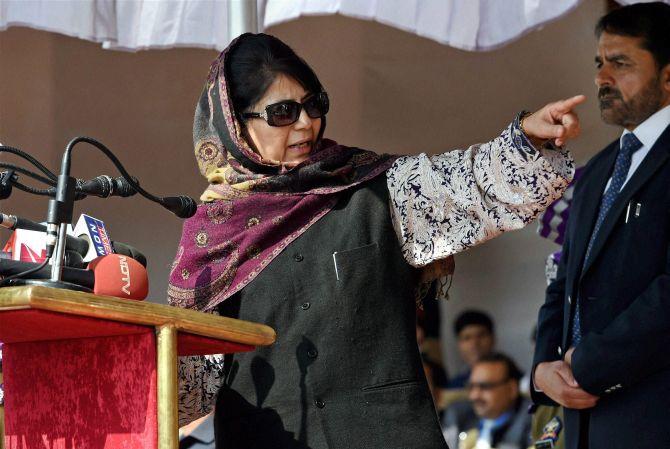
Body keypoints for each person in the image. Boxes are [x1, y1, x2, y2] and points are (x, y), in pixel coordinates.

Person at [169, 32, 580, 449]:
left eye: (314, 105)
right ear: (236, 124)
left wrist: (527, 139)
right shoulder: (212, 234)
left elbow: (466, 184)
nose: (305, 122)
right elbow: (190, 382)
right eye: (282, 113)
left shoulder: (373, 188)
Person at [532, 3, 670, 449]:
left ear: (669, 75)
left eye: (621, 63)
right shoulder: (597, 172)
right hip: (582, 427)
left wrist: (588, 365)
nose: (601, 78)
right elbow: (564, 279)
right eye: (599, 62)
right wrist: (543, 368)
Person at [443, 353, 531, 449]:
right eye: (471, 386)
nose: (474, 396)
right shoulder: (458, 415)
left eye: (485, 386)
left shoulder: (532, 420)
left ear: (511, 389)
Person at [448, 310, 496, 389]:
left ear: (493, 338)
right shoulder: (454, 386)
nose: (474, 343)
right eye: (467, 338)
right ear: (459, 344)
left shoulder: (515, 378)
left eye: (481, 335)